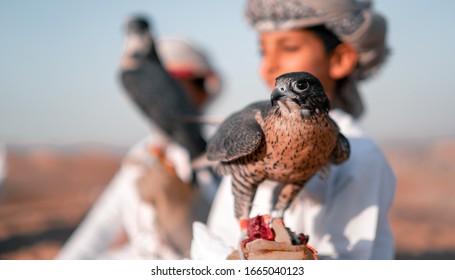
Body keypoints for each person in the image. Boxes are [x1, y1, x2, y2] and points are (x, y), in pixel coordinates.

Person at [191, 0, 396, 260]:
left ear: (341, 59)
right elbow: (217, 234)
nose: (269, 65)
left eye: (288, 47)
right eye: (262, 51)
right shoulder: (253, 130)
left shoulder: (360, 152)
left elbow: (358, 258)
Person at [56, 36, 222, 260]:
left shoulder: (221, 146)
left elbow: (227, 228)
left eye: (172, 84)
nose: (158, 96)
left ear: (199, 89)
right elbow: (101, 225)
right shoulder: (141, 154)